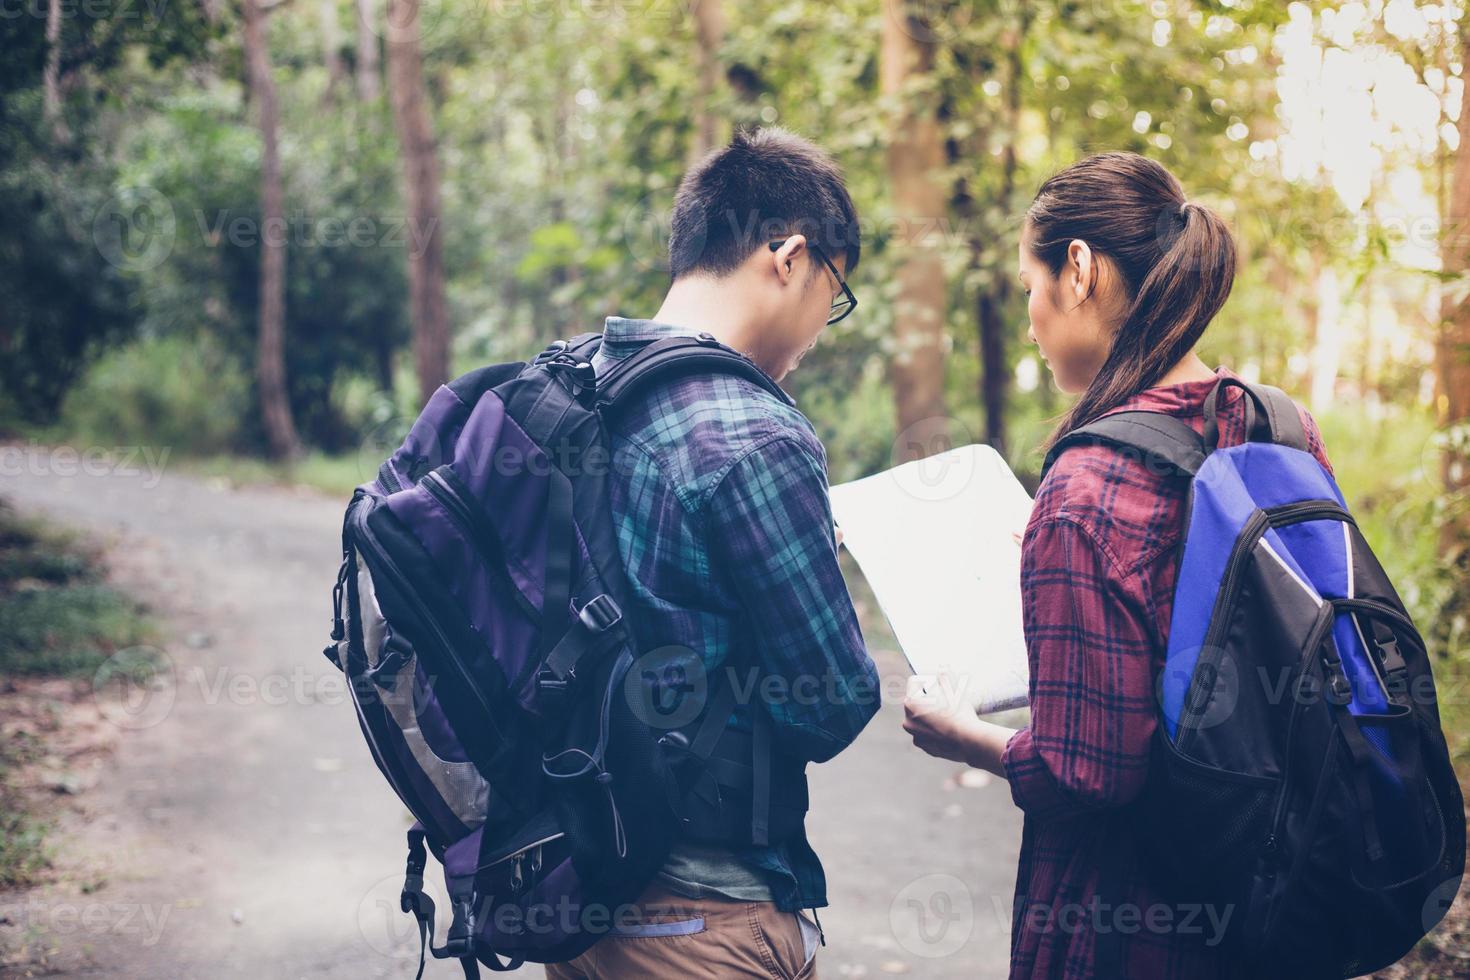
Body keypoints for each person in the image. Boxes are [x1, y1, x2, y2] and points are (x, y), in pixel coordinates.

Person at [900, 152, 1337, 978]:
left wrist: (968, 739)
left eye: (1029, 286)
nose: (1030, 317)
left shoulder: (1086, 485)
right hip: (1280, 888)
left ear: (1078, 270)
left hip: (1129, 925)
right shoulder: (1279, 424)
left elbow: (1089, 773)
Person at [544, 127, 879, 979]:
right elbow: (831, 704)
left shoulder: (565, 386)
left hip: (573, 884)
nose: (821, 328)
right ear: (792, 257)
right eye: (834, 294)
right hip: (703, 916)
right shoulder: (753, 432)